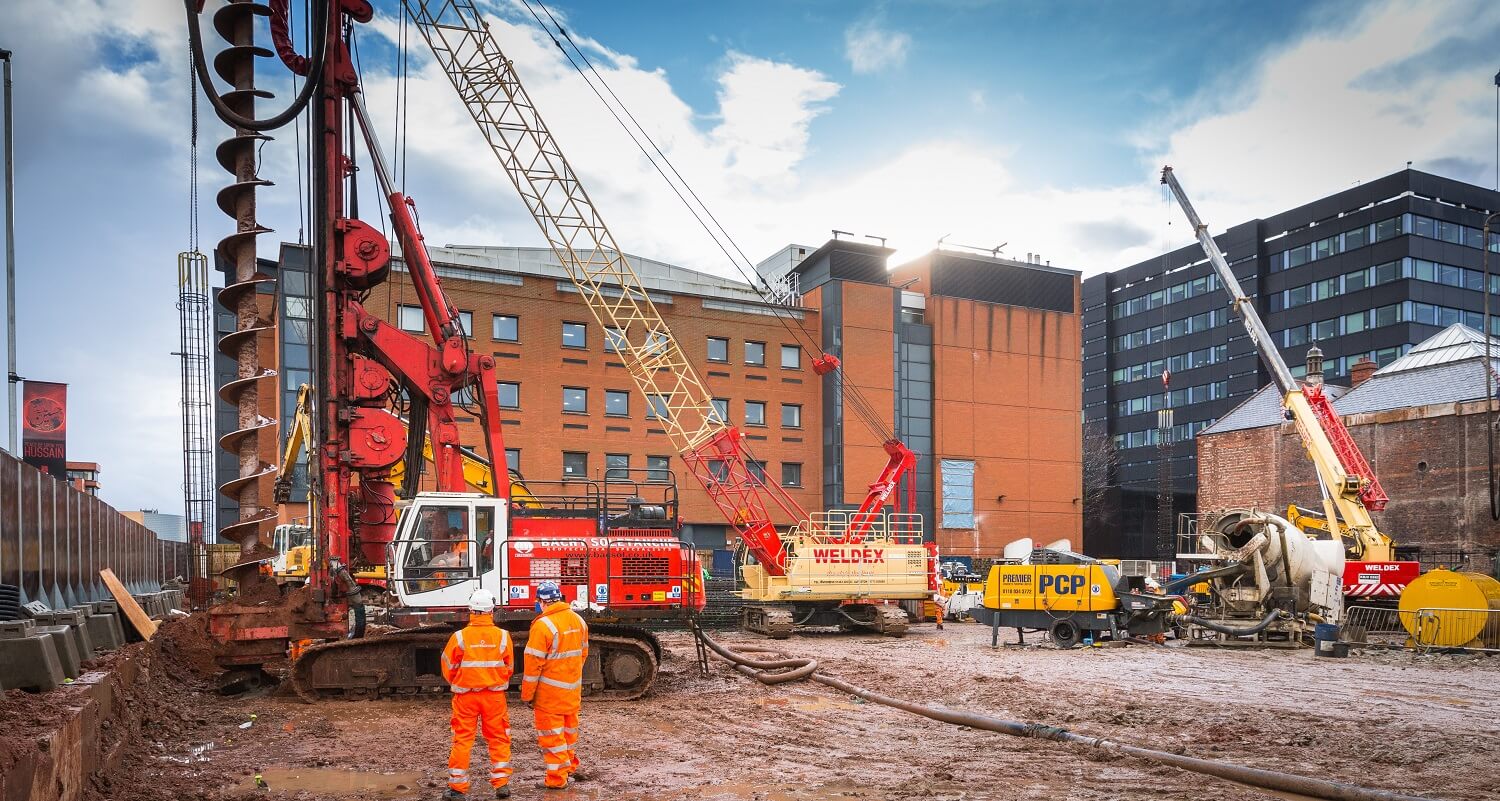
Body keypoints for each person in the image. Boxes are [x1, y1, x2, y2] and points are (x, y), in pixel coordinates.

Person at [441, 589, 514, 800]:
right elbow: (508, 667)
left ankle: (457, 788)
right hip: (494, 697)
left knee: (462, 740)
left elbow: (448, 667)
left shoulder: (459, 637)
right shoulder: (502, 636)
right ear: (492, 610)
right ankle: (501, 785)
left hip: (466, 697)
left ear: (471, 610)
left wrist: (461, 681)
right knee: (499, 738)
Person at [520, 581, 589, 789]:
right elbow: (583, 654)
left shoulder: (543, 625)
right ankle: (569, 769)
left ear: (541, 602)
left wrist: (527, 695)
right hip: (571, 691)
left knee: (552, 738)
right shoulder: (578, 620)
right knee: (568, 734)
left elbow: (533, 665)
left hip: (549, 696)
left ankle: (557, 780)